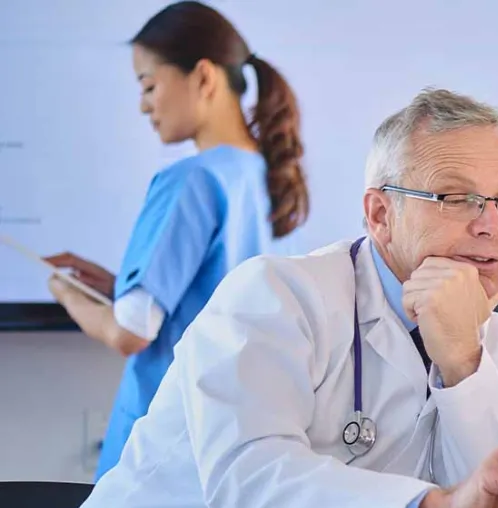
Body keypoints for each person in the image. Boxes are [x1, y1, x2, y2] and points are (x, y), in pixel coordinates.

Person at [27, 87, 498, 508]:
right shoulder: (276, 297)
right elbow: (250, 482)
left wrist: (463, 365)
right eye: (455, 197)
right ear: (381, 214)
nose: (491, 225)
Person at [44, 0, 309, 480]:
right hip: (225, 442)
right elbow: (206, 298)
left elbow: (129, 332)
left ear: (203, 77)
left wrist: (65, 294)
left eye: (148, 85)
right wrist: (115, 286)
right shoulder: (262, 175)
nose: (144, 104)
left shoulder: (190, 180)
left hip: (159, 450)